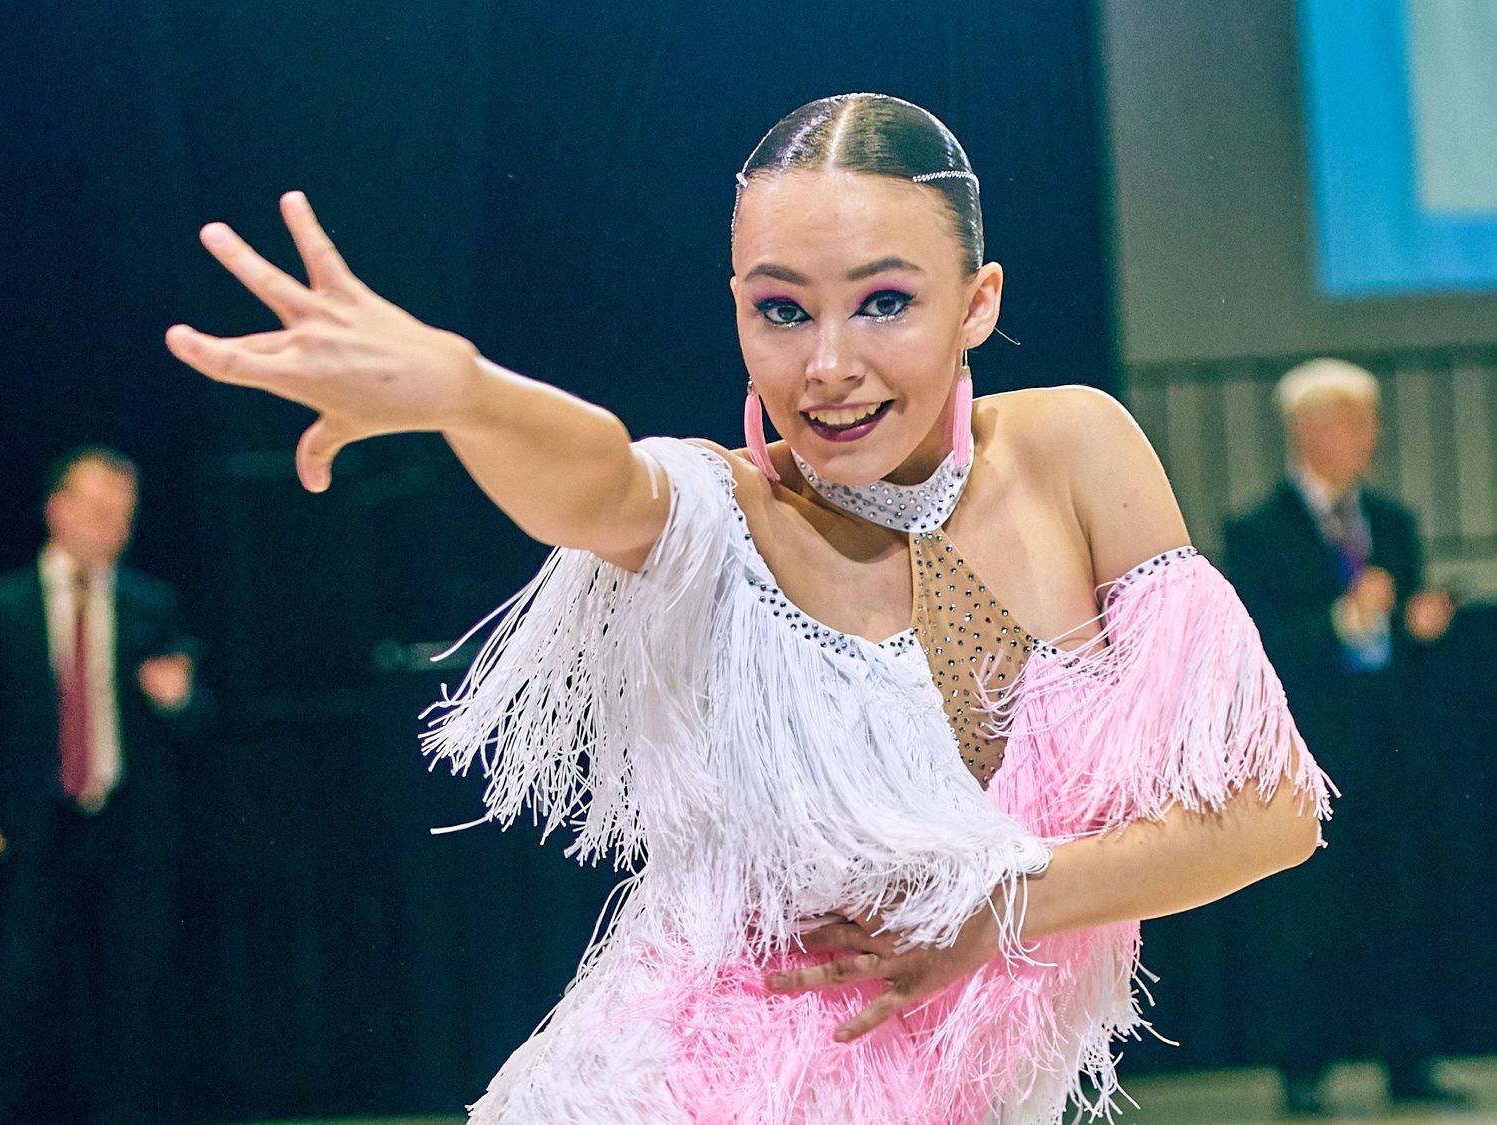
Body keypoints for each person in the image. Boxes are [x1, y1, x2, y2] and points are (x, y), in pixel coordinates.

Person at [166, 93, 1331, 1123]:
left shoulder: (1075, 449)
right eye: (782, 311)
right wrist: (468, 395)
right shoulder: (723, 513)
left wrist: (1000, 903)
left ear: (978, 303)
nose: (827, 364)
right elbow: (599, 479)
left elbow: (1270, 814)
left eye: (884, 302)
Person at [1223, 359, 1461, 1117]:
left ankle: (1409, 1059)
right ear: (1310, 429)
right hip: (1311, 742)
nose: (1371, 437)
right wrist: (1339, 621)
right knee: (1308, 908)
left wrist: (1418, 623)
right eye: (1357, 421)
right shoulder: (1256, 529)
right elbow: (1255, 640)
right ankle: (1302, 1066)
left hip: (1390, 740)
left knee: (1402, 898)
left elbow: (1405, 635)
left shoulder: (1391, 520)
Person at [0, 446, 208, 1124]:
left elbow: (199, 719)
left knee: (131, 995)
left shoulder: (150, 603)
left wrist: (177, 699)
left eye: (124, 514)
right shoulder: (8, 606)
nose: (113, 527)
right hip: (32, 830)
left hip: (127, 826)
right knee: (24, 991)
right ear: (57, 510)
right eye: (97, 510)